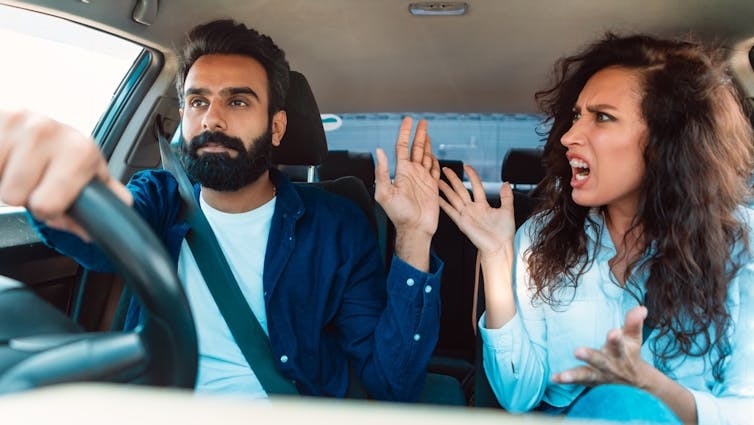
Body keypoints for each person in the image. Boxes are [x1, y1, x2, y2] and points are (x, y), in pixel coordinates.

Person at [0, 19, 444, 401]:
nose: (212, 118)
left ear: (277, 127)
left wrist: (414, 234)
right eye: (198, 101)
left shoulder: (337, 225)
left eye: (237, 101)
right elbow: (96, 241)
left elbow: (392, 382)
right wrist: (55, 182)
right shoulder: (159, 196)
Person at [438, 33, 754, 424]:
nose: (570, 137)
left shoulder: (744, 245)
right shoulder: (542, 238)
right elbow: (518, 395)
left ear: (664, 139)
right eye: (575, 116)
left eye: (602, 117)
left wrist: (651, 389)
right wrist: (495, 255)